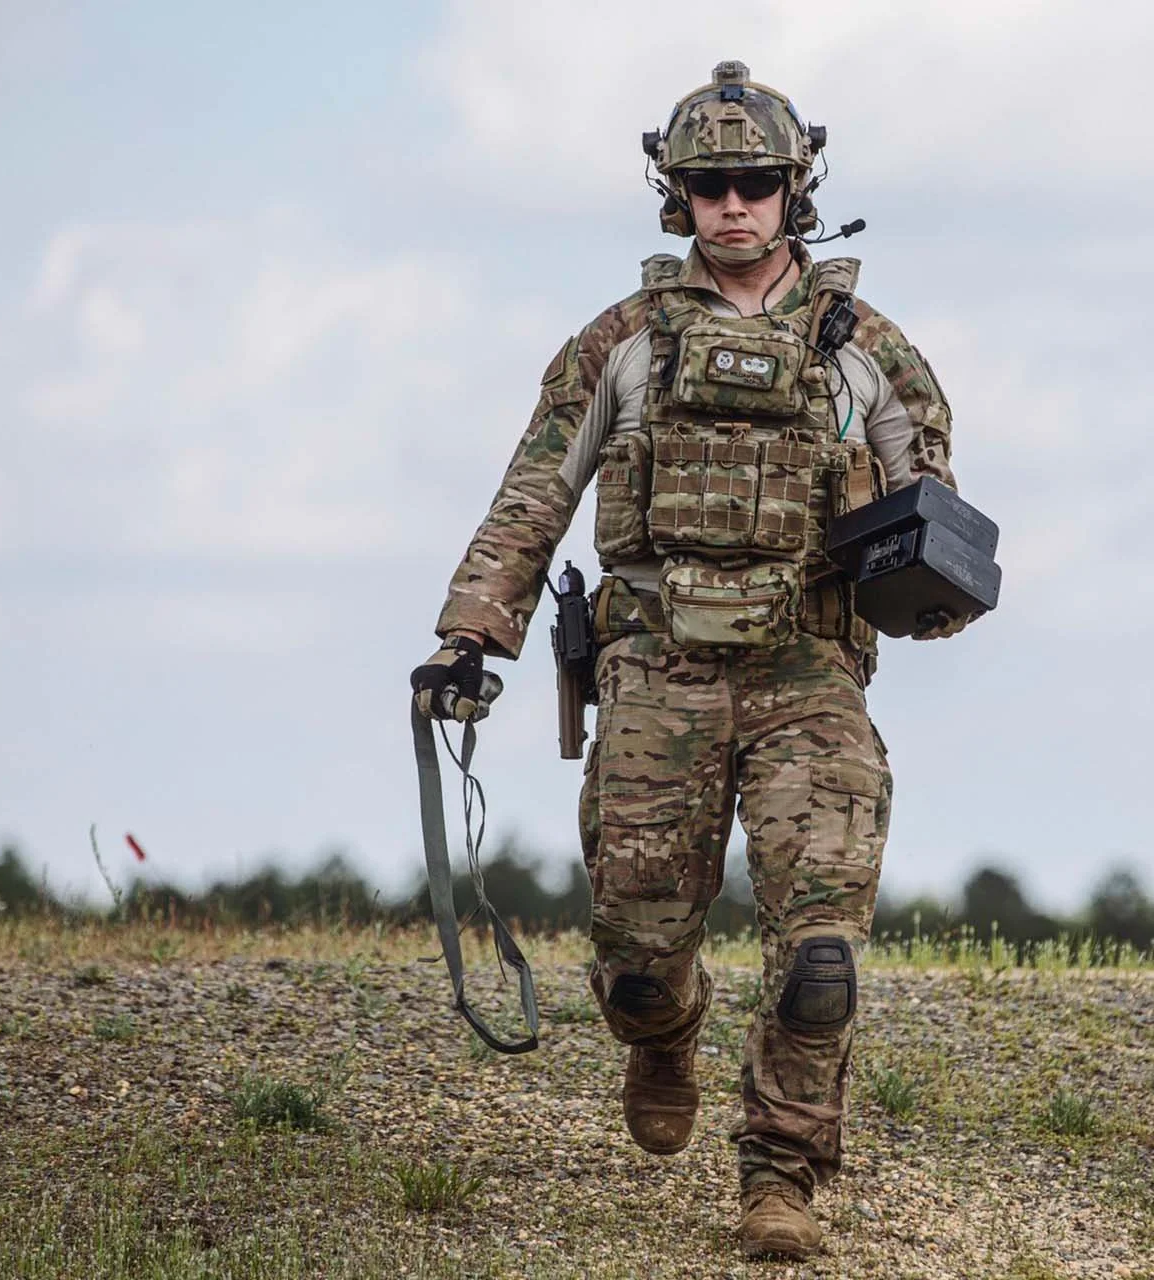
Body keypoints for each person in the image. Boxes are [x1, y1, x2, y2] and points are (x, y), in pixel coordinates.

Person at [411, 60, 976, 1260]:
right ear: (676, 195)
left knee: (821, 952)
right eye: (710, 184)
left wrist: (932, 576)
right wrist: (472, 633)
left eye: (756, 182)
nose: (734, 204)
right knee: (636, 967)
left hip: (806, 674)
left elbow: (935, 508)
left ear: (795, 188)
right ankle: (665, 1037)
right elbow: (533, 495)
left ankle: (781, 1173)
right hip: (657, 672)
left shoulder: (866, 350)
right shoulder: (619, 345)